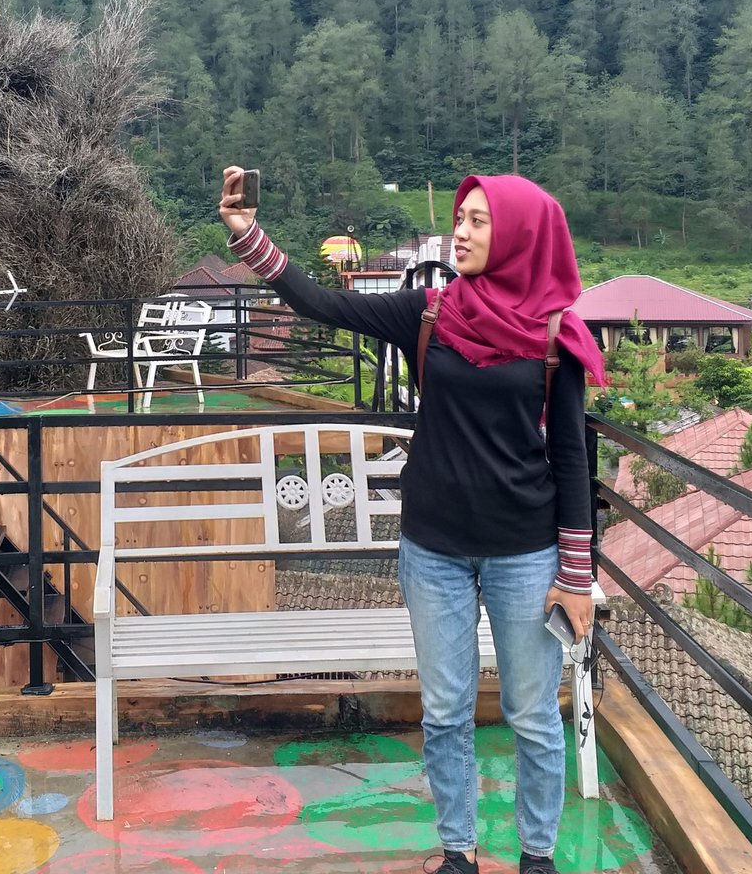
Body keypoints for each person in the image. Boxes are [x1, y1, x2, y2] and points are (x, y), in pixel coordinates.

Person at [219, 167, 606, 874]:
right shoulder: (431, 313)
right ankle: (458, 849)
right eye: (461, 218)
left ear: (520, 235)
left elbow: (573, 460)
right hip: (434, 550)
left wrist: (575, 579)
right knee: (448, 711)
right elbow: (321, 304)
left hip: (525, 553)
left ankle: (538, 855)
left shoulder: (554, 336)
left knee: (531, 717)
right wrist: (249, 236)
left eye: (479, 221)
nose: (460, 231)